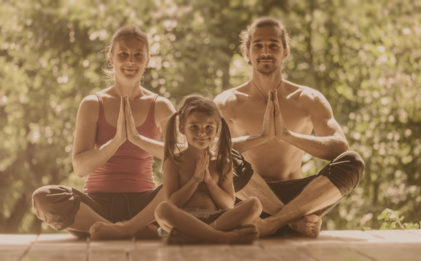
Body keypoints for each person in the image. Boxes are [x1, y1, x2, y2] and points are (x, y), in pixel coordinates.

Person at [214, 17, 365, 237]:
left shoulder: (308, 99)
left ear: (285, 52)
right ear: (247, 53)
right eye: (258, 46)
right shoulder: (227, 102)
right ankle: (291, 221)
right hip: (247, 198)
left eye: (273, 45)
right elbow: (208, 150)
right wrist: (262, 137)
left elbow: (341, 148)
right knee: (218, 157)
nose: (266, 51)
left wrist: (288, 135)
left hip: (300, 197)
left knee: (354, 162)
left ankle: (275, 222)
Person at [31, 25, 175, 238]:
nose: (130, 61)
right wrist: (116, 141)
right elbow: (80, 167)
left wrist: (137, 139)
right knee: (43, 197)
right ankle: (122, 229)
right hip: (96, 206)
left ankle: (122, 229)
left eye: (138, 55)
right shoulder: (92, 104)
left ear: (148, 59)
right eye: (123, 54)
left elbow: (183, 157)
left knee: (190, 180)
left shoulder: (160, 105)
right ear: (111, 58)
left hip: (144, 206)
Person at [154, 95, 261, 244]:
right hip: (186, 219)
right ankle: (222, 237)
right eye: (194, 127)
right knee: (162, 210)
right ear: (182, 128)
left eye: (209, 127)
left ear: (217, 129)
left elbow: (228, 204)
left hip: (219, 219)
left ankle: (197, 235)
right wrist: (195, 179)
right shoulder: (174, 162)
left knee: (254, 205)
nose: (202, 133)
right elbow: (173, 203)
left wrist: (209, 181)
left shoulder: (222, 162)